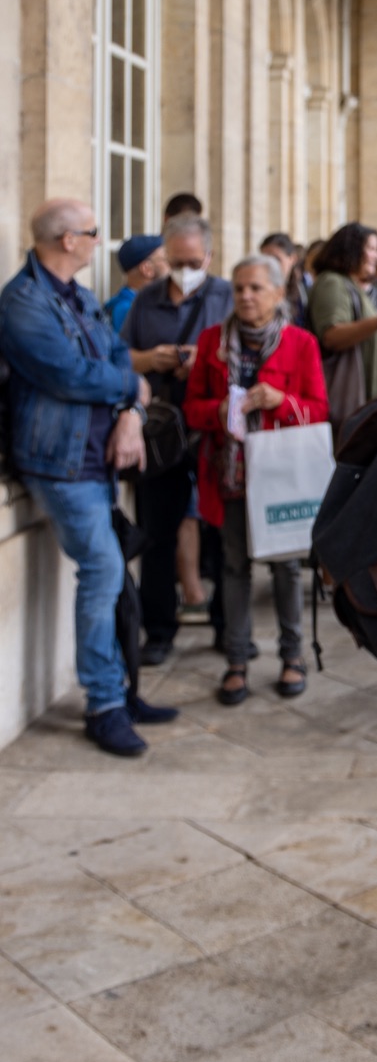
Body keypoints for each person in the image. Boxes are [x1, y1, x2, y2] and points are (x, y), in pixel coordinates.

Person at [0, 200, 176, 757]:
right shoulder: (24, 301)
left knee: (112, 569)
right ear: (68, 239)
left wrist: (130, 412)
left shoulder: (75, 295)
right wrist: (131, 393)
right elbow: (69, 374)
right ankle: (104, 704)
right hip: (60, 460)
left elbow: (120, 358)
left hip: (98, 456)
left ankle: (120, 691)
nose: (101, 240)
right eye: (94, 232)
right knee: (102, 567)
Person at [184, 254, 328, 705]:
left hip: (279, 476)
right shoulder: (211, 342)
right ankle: (237, 659)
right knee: (233, 567)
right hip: (228, 476)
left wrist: (281, 401)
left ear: (277, 293)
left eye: (255, 288)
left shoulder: (300, 343)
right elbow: (192, 408)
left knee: (285, 567)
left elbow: (319, 410)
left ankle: (293, 655)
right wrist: (224, 413)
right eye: (239, 288)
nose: (245, 296)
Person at [123, 211, 233, 666]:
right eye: (178, 261)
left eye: (194, 261)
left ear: (208, 256)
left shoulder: (228, 295)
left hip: (214, 429)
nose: (186, 270)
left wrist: (203, 361)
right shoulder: (145, 301)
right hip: (163, 430)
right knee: (157, 533)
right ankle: (160, 630)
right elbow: (123, 358)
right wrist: (152, 359)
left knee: (223, 533)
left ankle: (229, 628)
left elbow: (247, 355)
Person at [308, 222, 377, 419]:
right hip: (352, 405)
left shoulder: (353, 286)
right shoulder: (332, 283)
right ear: (351, 249)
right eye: (372, 249)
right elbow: (332, 335)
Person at [103, 235, 166, 337]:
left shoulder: (140, 304)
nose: (173, 265)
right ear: (147, 269)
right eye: (166, 259)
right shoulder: (126, 309)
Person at [259, 232, 309, 327]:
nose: (271, 266)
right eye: (264, 260)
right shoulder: (255, 292)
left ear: (293, 259)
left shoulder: (306, 290)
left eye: (276, 259)